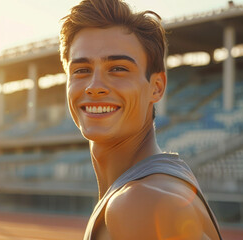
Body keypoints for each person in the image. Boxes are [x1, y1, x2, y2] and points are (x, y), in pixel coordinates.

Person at [59, 0, 222, 239]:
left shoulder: (139, 201)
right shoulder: (149, 188)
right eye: (81, 70)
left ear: (156, 87)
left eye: (118, 69)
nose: (94, 87)